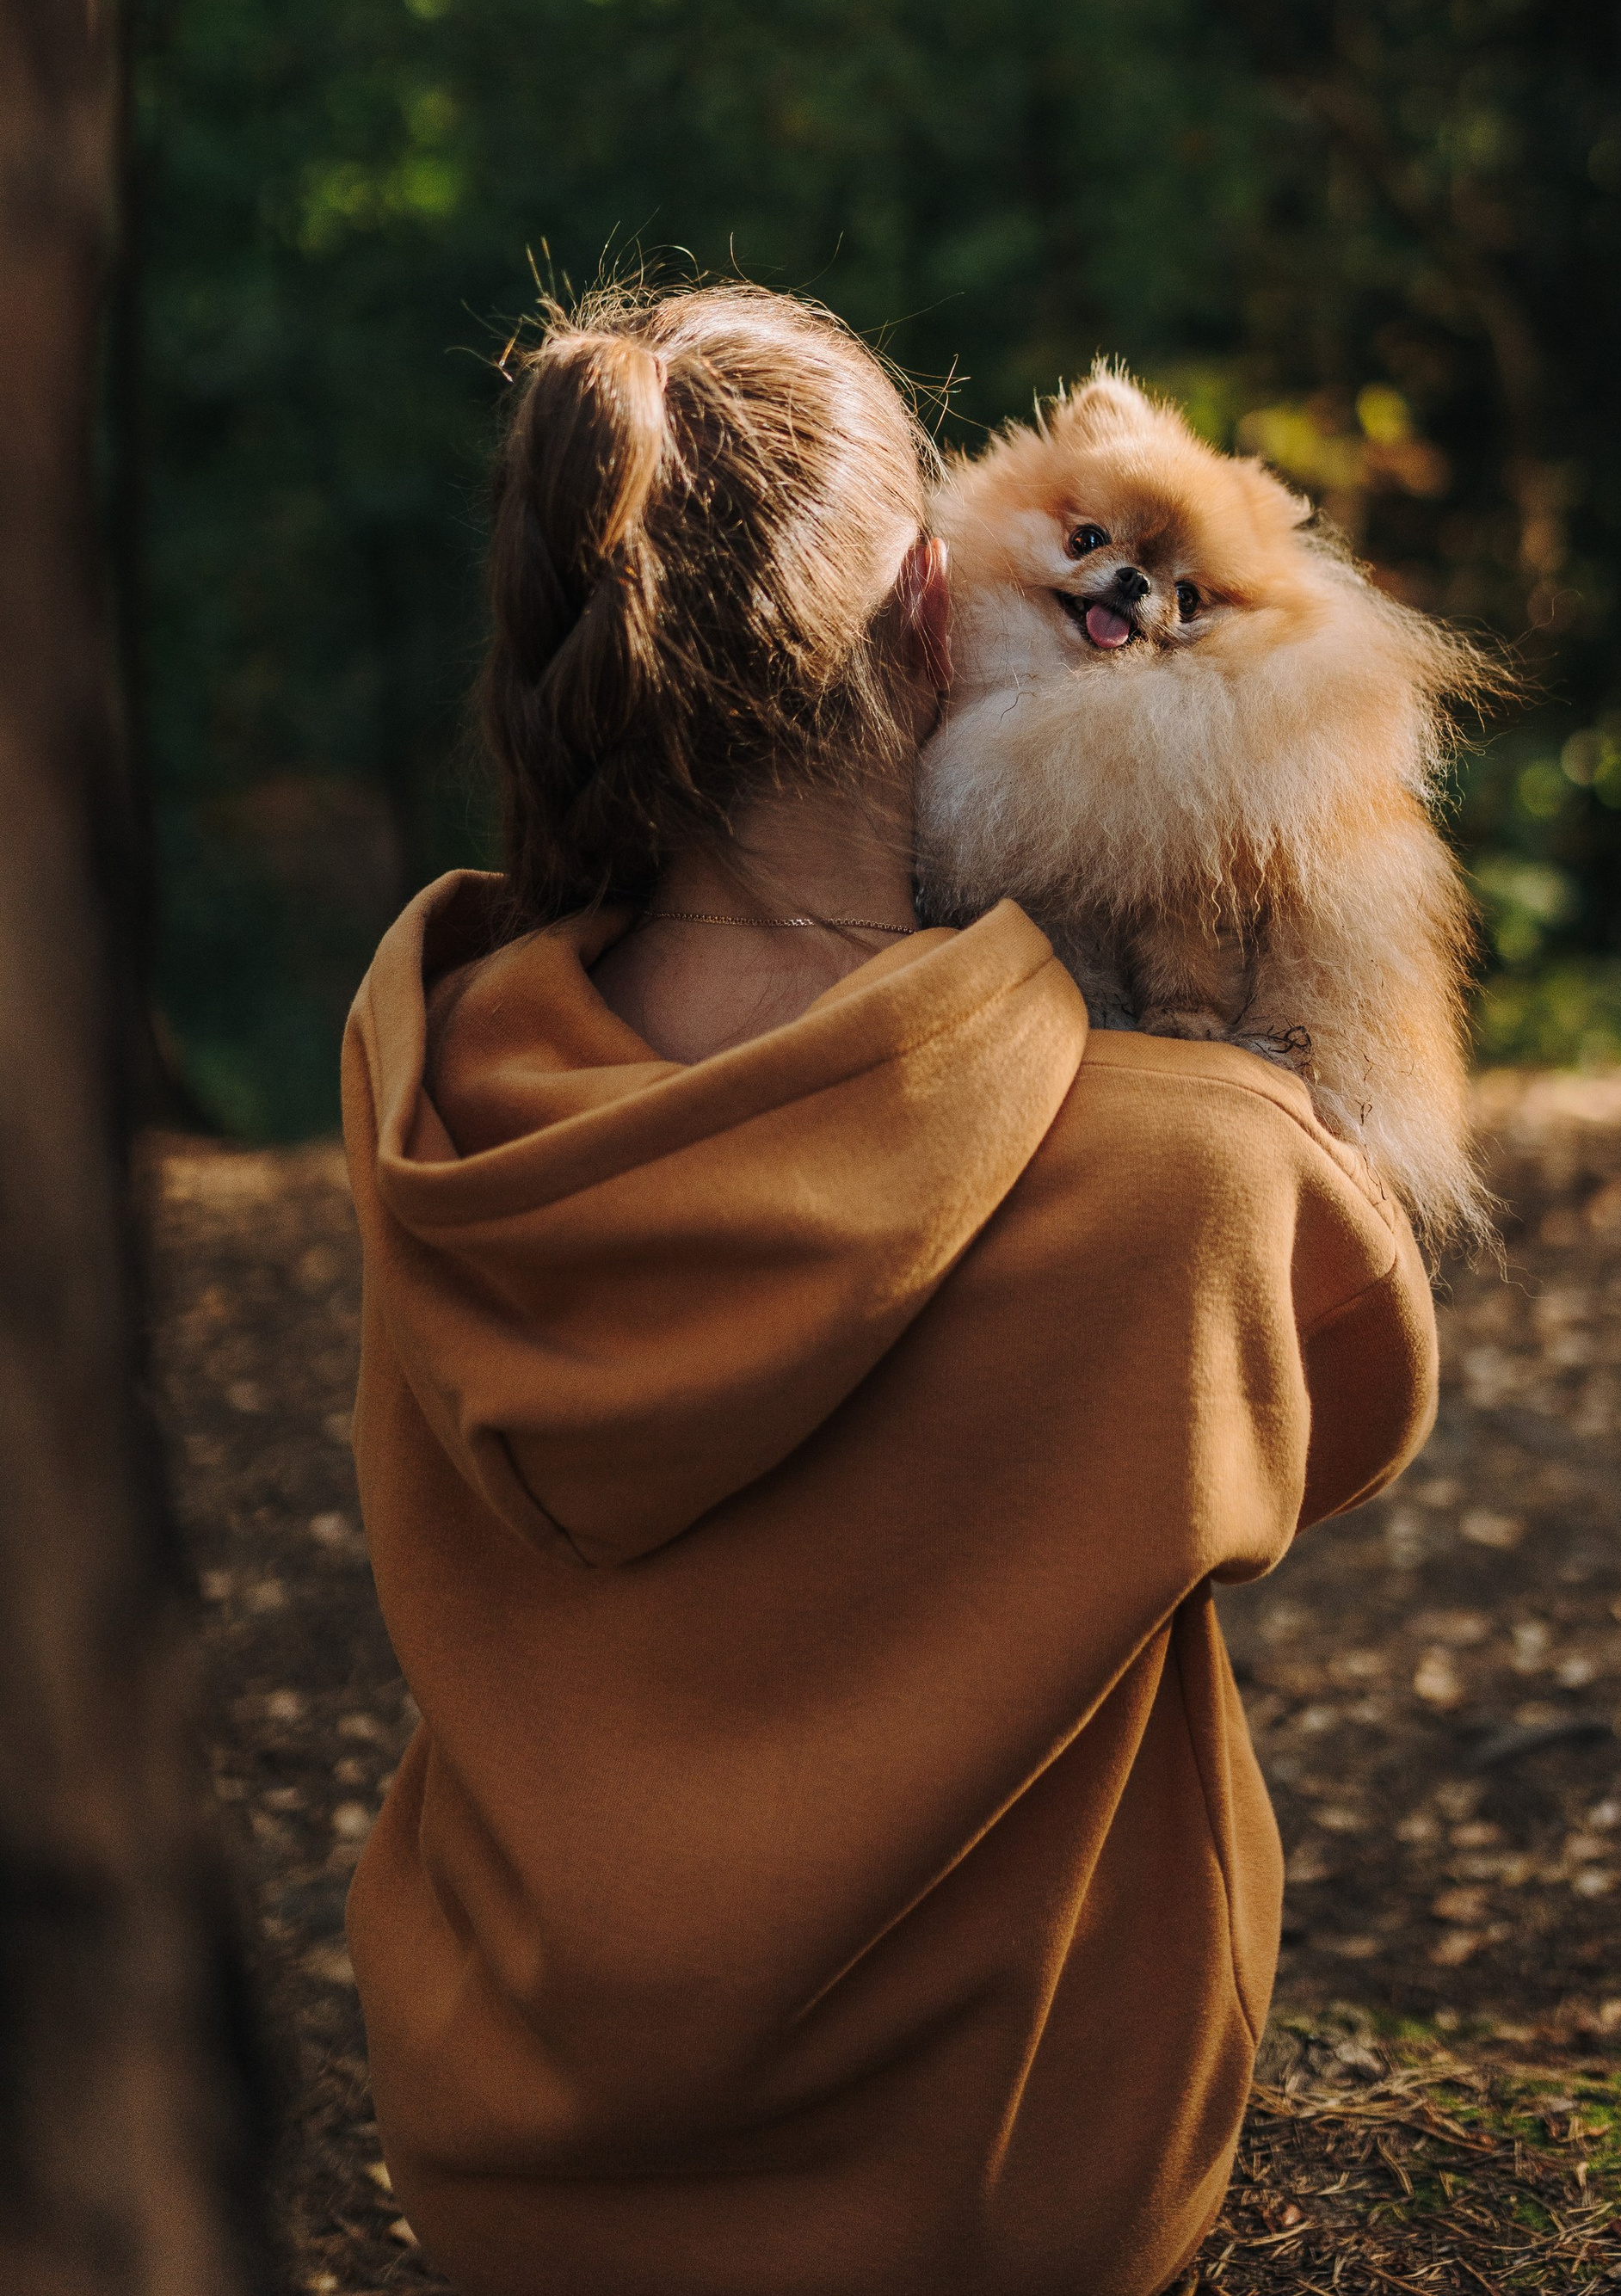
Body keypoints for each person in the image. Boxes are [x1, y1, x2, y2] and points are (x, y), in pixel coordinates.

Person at [342, 280, 1439, 2296]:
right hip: (1005, 2200)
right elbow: (1352, 1416)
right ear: (940, 617)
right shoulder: (1186, 1167)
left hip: (508, 2178)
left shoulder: (444, 1100)